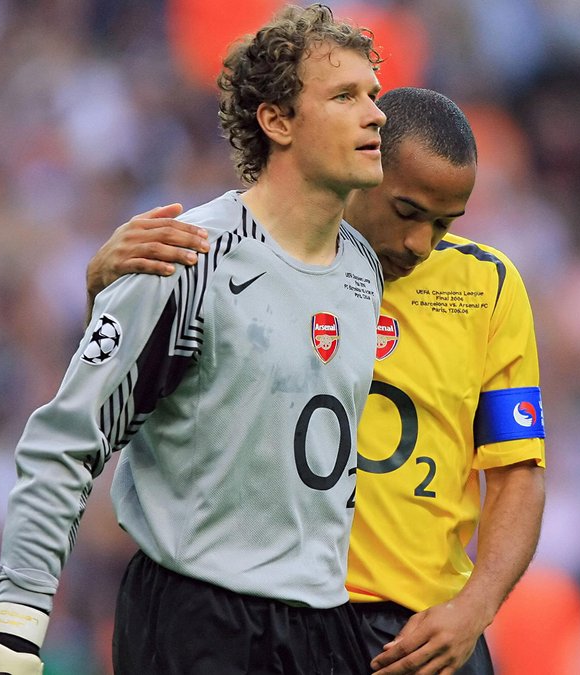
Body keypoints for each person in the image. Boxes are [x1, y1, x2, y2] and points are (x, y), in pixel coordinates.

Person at [0, 4, 387, 674]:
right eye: (345, 96)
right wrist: (15, 627)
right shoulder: (183, 257)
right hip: (198, 617)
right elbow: (67, 439)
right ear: (277, 121)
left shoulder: (362, 268)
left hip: (322, 621)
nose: (375, 114)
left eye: (373, 95)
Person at [89, 87, 547, 675]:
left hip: (417, 633)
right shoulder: (241, 258)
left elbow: (517, 473)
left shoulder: (486, 287)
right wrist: (104, 297)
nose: (421, 243)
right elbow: (114, 400)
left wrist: (475, 608)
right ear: (362, 170)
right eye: (407, 212)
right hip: (261, 611)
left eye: (443, 223)